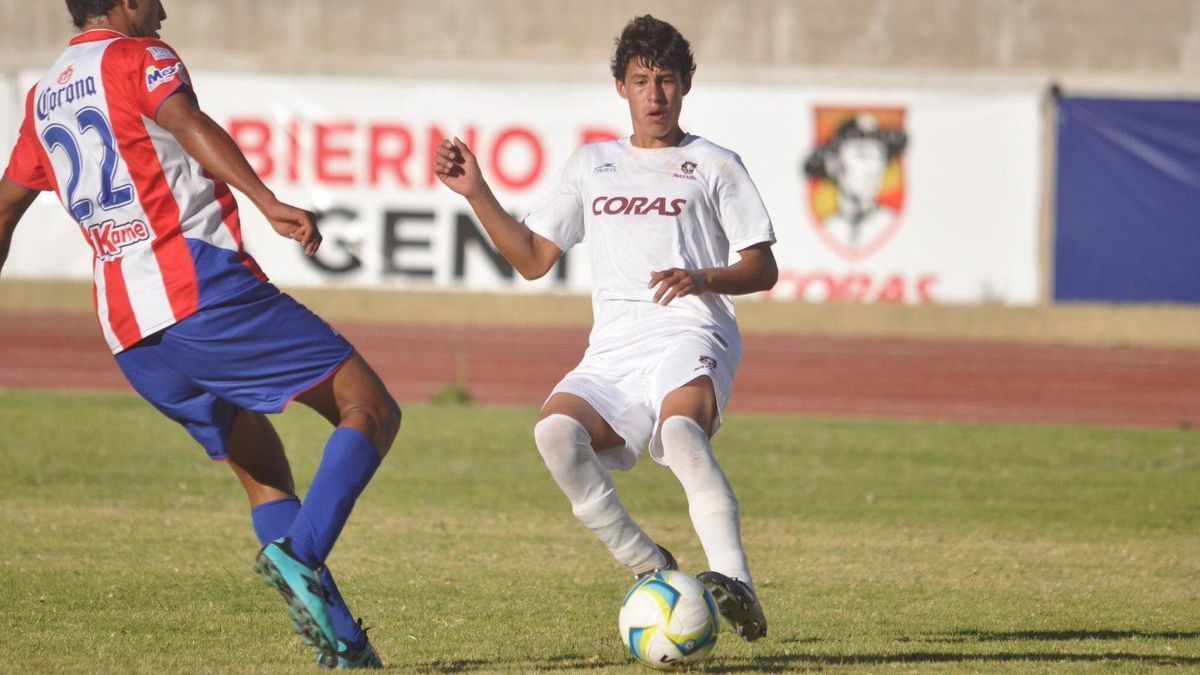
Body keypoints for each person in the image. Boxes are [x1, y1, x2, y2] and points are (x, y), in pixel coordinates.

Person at [0, 0, 398, 668]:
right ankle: (299, 554)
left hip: (133, 336)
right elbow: (185, 121)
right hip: (201, 291)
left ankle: (347, 649)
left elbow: (6, 207)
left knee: (266, 474)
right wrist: (267, 200)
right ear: (124, 3)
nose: (163, 10)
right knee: (371, 407)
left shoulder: (45, 97)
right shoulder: (136, 58)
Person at [434, 14, 775, 642]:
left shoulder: (714, 164)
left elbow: (762, 266)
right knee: (556, 434)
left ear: (686, 85)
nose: (655, 95)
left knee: (681, 434)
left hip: (692, 328)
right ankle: (649, 564)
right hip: (615, 346)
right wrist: (478, 192)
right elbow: (534, 259)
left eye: (667, 80)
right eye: (641, 80)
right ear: (620, 86)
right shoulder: (593, 164)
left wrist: (702, 277)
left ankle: (737, 582)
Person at [803, 114, 907, 252]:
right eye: (861, 156)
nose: (871, 169)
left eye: (878, 157)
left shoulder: (887, 221)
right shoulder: (830, 226)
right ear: (834, 164)